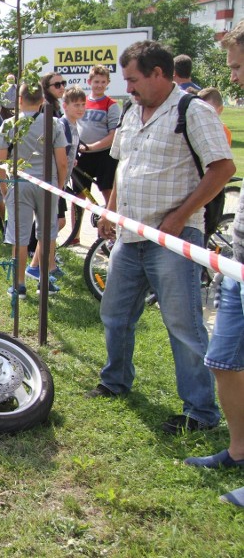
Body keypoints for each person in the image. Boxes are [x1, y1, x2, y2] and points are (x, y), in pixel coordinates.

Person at [88, 41, 235, 436]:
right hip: (129, 236)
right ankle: (115, 381)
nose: (128, 89)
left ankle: (201, 413)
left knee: (183, 326)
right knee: (115, 315)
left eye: (134, 80)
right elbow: (123, 166)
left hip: (174, 239)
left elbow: (222, 168)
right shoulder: (133, 113)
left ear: (158, 73)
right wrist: (111, 211)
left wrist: (180, 217)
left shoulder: (193, 111)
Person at [182, 22, 244, 508]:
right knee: (224, 360)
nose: (235, 78)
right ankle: (239, 452)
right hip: (238, 263)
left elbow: (222, 168)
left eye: (239, 66)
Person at [0, 81, 68, 299]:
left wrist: (5, 190)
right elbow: (62, 161)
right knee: (47, 234)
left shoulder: (9, 124)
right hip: (47, 184)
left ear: (19, 100)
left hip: (20, 184)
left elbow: (0, 162)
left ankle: (19, 285)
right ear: (42, 101)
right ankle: (44, 281)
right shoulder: (54, 124)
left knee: (20, 236)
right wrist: (60, 186)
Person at [27, 85, 86, 281]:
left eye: (83, 105)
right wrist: (60, 184)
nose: (80, 108)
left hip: (59, 180)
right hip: (53, 182)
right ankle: (39, 265)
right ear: (65, 106)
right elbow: (57, 158)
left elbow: (66, 156)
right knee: (55, 223)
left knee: (54, 224)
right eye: (75, 105)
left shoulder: (75, 126)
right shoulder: (62, 126)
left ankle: (44, 265)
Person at [76, 64, 120, 209]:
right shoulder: (81, 102)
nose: (99, 85)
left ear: (108, 83)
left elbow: (113, 135)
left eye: (103, 82)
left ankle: (109, 228)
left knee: (108, 192)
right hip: (82, 155)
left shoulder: (111, 104)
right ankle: (76, 232)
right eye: (96, 82)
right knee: (79, 197)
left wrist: (91, 147)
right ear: (89, 82)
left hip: (104, 155)